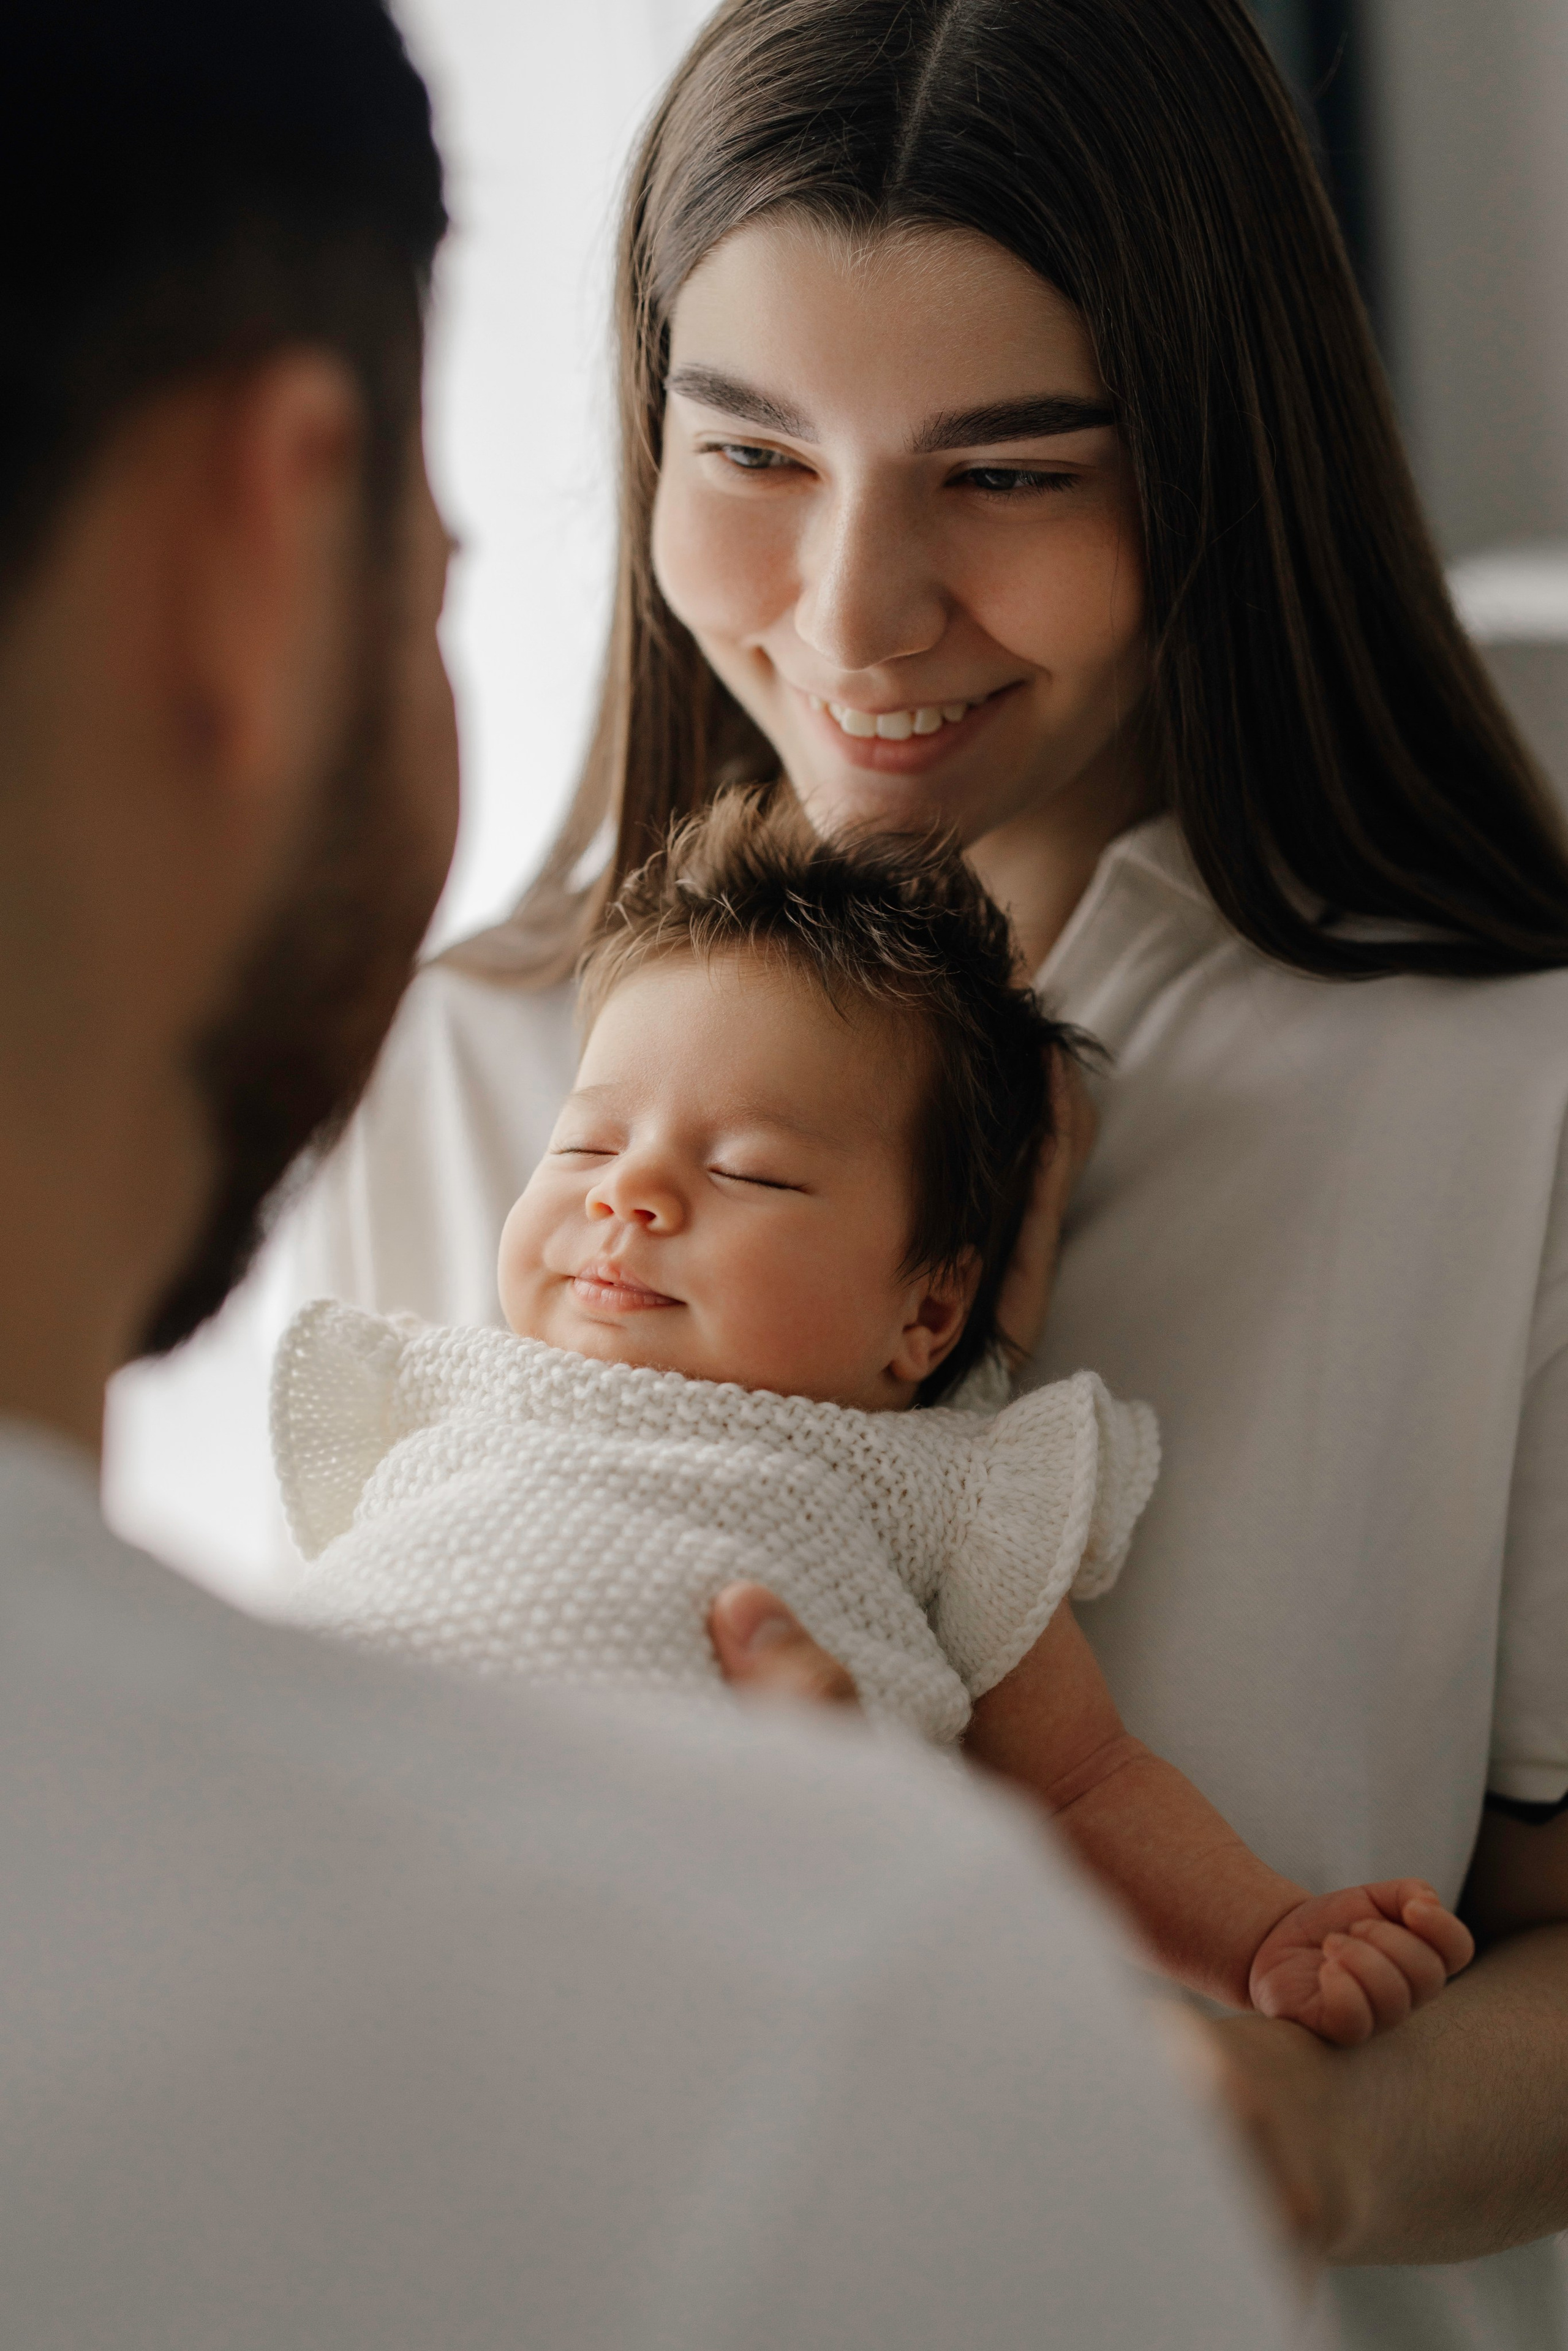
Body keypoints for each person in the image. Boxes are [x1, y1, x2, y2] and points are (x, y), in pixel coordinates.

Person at [266, 2, 1568, 2344]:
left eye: (1010, 471)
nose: (855, 611)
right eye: (751, 450)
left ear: (1222, 460)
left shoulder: (1512, 1102)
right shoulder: (459, 1065)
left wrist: (1313, 2128)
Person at [0, 1, 1298, 2344]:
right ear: (251, 550)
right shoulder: (856, 2027)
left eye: (1011, 466)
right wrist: (830, 1926)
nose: (853, 614)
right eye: (442, 557)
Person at [277, 795, 1474, 2047]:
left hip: (675, 1971)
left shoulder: (937, 1484)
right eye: (584, 1145)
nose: (628, 1190)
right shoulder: (439, 1385)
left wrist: (1261, 1933)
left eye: (745, 1169)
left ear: (929, 1308)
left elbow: (1081, 1784)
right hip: (328, 1878)